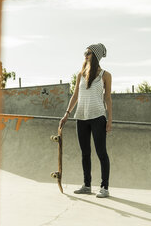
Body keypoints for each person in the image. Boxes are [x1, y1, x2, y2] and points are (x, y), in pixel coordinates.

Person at [59, 43, 112, 198]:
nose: (85, 55)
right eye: (85, 52)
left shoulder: (105, 75)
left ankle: (104, 187)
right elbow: (75, 95)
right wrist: (67, 113)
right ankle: (87, 185)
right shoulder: (80, 74)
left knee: (101, 152)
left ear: (95, 55)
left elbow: (108, 98)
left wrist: (110, 120)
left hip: (98, 117)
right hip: (81, 117)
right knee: (85, 153)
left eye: (88, 53)